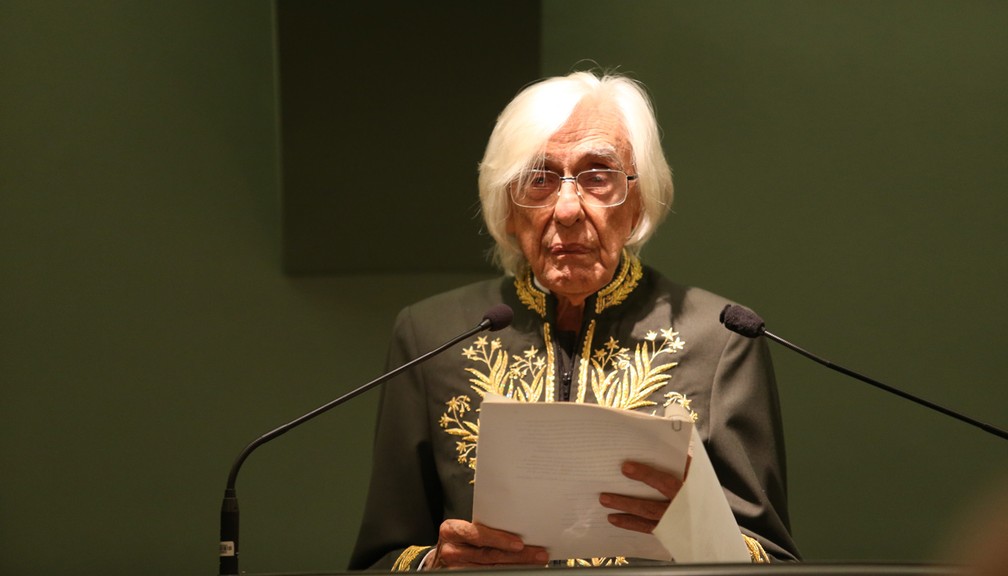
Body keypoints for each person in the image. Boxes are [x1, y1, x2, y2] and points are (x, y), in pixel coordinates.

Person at [348, 70, 800, 570]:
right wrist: (435, 564)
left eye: (598, 176)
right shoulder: (433, 335)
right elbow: (377, 561)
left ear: (638, 201)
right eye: (538, 179)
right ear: (507, 207)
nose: (566, 209)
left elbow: (776, 563)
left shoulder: (720, 339)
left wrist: (699, 527)